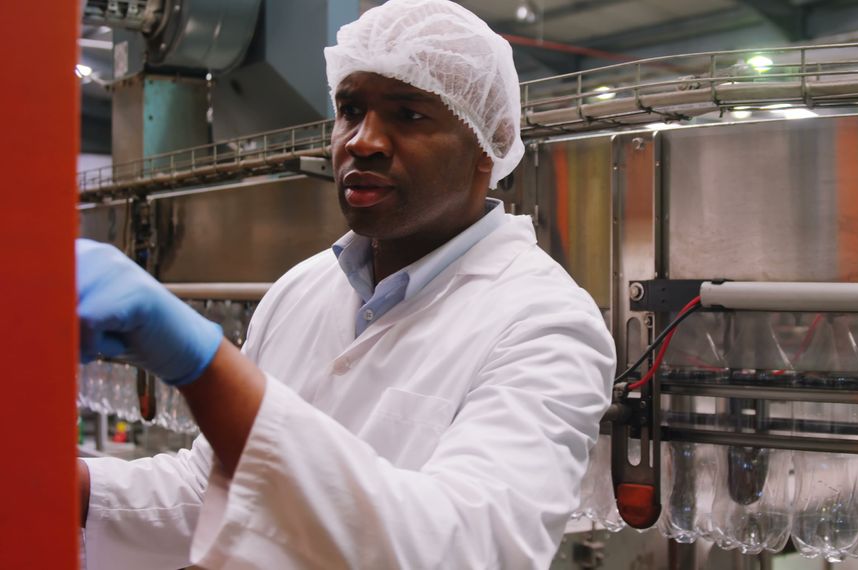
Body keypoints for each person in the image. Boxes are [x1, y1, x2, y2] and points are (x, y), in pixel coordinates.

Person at [75, 0, 615, 567]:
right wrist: (71, 488)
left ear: (489, 143)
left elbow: (464, 547)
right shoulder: (301, 288)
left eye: (408, 114)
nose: (362, 141)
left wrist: (210, 371)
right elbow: (217, 488)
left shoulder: (547, 324)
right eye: (350, 109)